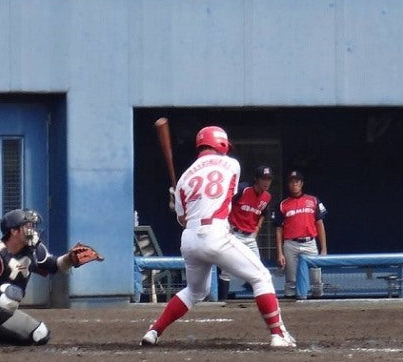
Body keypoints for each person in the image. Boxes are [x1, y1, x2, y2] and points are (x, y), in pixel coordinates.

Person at [140, 126, 296, 348]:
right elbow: (225, 195)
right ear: (221, 144)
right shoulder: (232, 164)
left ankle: (154, 330)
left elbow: (182, 220)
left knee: (196, 290)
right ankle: (278, 334)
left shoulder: (185, 177)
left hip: (190, 239)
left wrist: (178, 203)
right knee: (261, 276)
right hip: (216, 233)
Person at [0, 208, 100, 348]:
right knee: (11, 293)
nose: (32, 231)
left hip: (3, 309)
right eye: (27, 226)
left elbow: (54, 265)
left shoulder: (33, 250)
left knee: (40, 334)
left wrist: (70, 259)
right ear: (14, 231)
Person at [218, 165, 274, 299]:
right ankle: (221, 302)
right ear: (257, 179)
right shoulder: (243, 189)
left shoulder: (267, 197)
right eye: (263, 179)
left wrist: (258, 227)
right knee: (226, 270)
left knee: (259, 269)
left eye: (269, 179)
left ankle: (261, 300)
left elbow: (263, 214)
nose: (266, 182)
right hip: (234, 233)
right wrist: (225, 223)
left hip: (250, 237)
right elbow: (225, 203)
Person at [275, 170, 327, 299]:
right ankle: (292, 309)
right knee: (291, 279)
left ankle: (319, 304)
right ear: (288, 184)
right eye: (292, 182)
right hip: (290, 244)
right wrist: (280, 252)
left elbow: (320, 224)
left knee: (316, 278)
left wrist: (324, 248)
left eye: (297, 181)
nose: (294, 185)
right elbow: (278, 229)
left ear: (302, 183)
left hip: (310, 242)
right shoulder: (283, 204)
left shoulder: (313, 200)